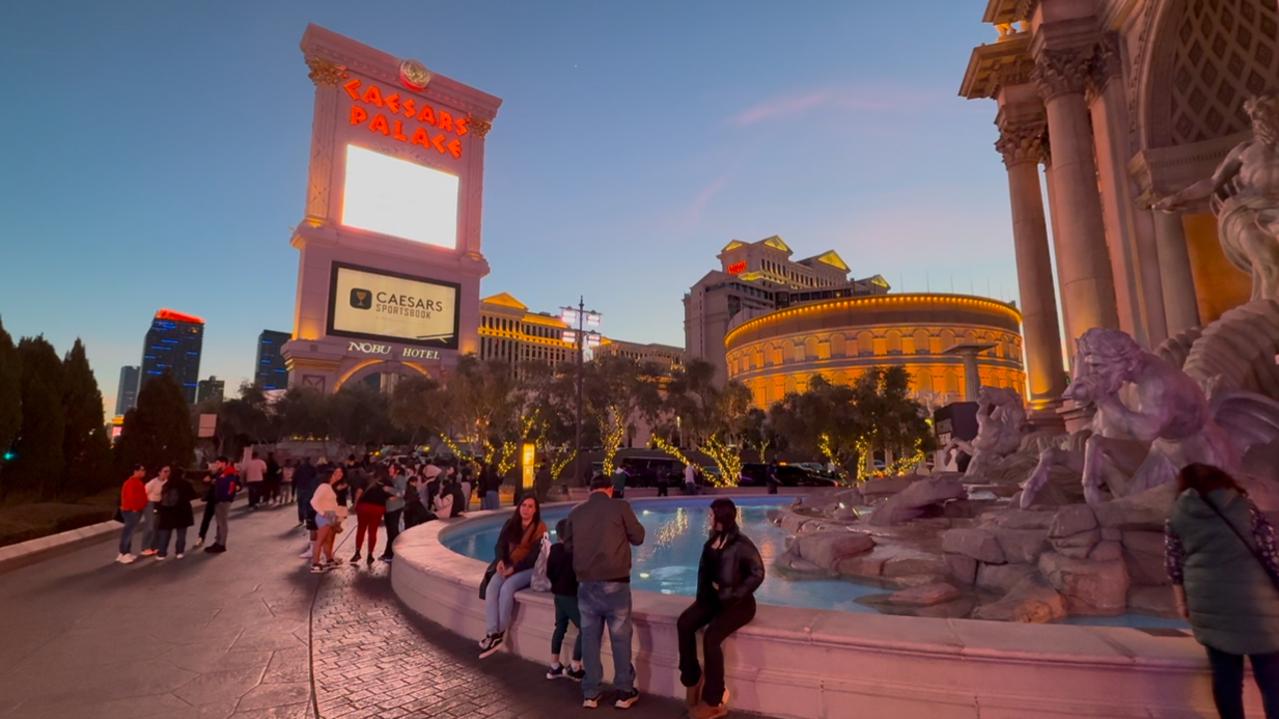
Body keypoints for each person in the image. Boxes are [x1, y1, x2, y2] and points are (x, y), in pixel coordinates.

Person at [1165, 463, 1279, 719]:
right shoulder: (1245, 507)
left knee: (1226, 679)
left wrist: (1181, 602)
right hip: (1257, 605)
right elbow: (1270, 553)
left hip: (1211, 607)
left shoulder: (1177, 515)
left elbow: (1173, 563)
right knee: (1272, 681)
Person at [562, 475, 646, 709]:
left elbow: (568, 545)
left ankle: (590, 692)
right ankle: (624, 691)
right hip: (616, 583)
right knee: (620, 638)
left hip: (587, 584)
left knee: (589, 637)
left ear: (591, 490)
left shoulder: (576, 512)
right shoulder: (620, 507)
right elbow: (638, 537)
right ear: (610, 489)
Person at [678, 498, 765, 719]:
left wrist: (734, 593)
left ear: (721, 517)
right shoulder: (712, 542)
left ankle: (714, 699)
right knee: (684, 623)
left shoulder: (741, 545)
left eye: (711, 514)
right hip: (713, 601)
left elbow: (758, 573)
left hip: (739, 605)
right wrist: (703, 599)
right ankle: (692, 677)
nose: (708, 517)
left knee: (711, 636)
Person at [478, 496, 547, 659]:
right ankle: (492, 633)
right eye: (524, 505)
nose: (526, 509)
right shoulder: (511, 523)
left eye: (530, 506)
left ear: (535, 510)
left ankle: (499, 633)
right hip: (508, 565)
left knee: (508, 588)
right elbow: (500, 545)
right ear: (519, 507)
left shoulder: (540, 528)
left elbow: (534, 557)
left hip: (528, 569)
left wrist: (514, 569)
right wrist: (501, 560)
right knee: (492, 587)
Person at [546, 518, 585, 682]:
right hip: (570, 596)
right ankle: (575, 665)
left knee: (560, 627)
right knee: (586, 628)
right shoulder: (575, 553)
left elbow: (549, 573)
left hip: (558, 595)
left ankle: (554, 665)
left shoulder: (554, 549)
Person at [310, 466, 348, 573]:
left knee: (328, 540)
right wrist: (323, 513)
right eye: (334, 474)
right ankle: (315, 563)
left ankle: (329, 560)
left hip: (330, 514)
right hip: (325, 515)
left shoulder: (328, 487)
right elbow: (313, 501)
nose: (335, 476)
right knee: (320, 541)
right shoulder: (324, 486)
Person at [155, 468, 198, 559]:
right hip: (182, 511)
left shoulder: (166, 484)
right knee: (181, 533)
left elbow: (162, 498)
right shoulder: (186, 484)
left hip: (167, 512)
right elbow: (193, 495)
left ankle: (162, 553)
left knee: (165, 533)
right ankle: (179, 552)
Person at [351, 469, 390, 568]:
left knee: (361, 529)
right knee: (372, 531)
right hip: (378, 508)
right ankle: (370, 555)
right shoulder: (387, 482)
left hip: (364, 506)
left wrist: (355, 504)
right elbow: (390, 497)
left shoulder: (366, 480)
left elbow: (359, 491)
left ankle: (357, 552)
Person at [205, 457, 239, 553]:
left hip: (223, 501)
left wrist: (224, 498)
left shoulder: (229, 473)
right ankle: (218, 542)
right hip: (219, 500)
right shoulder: (221, 473)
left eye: (218, 463)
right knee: (220, 523)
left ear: (224, 463)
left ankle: (221, 544)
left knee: (222, 523)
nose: (216, 465)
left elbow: (231, 487)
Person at [116, 464, 148, 564]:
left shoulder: (137, 482)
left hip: (134, 510)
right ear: (136, 471)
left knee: (129, 532)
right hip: (132, 511)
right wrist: (134, 509)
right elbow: (129, 497)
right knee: (128, 532)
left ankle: (125, 553)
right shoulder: (131, 482)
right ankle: (124, 553)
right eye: (142, 470)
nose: (144, 472)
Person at [380, 463, 407, 562]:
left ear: (397, 470)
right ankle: (388, 553)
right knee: (389, 531)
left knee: (393, 530)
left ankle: (393, 553)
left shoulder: (400, 478)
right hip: (388, 508)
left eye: (392, 468)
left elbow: (402, 492)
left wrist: (389, 490)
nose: (389, 469)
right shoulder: (391, 479)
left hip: (395, 507)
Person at [140, 466, 169, 556]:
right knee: (150, 526)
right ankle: (145, 547)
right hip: (150, 503)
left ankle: (154, 546)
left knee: (157, 526)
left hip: (161, 504)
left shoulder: (167, 482)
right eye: (165, 471)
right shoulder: (153, 482)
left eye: (168, 471)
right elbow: (144, 492)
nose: (167, 473)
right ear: (159, 472)